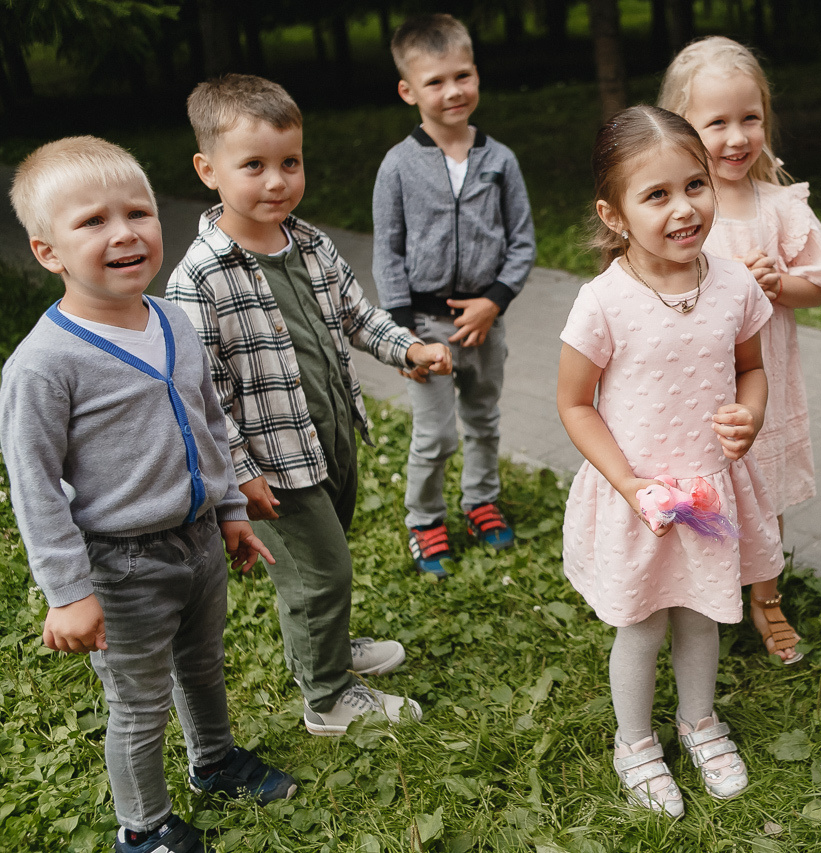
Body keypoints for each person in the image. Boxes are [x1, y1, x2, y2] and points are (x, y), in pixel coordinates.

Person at [1, 136, 295, 853]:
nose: (125, 232)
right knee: (139, 701)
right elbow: (33, 484)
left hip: (197, 543)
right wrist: (68, 592)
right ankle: (145, 826)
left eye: (138, 211)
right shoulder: (43, 364)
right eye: (92, 222)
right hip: (122, 562)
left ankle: (214, 760)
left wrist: (228, 512)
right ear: (49, 253)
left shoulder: (173, 321)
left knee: (203, 664)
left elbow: (209, 422)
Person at [167, 75, 452, 737]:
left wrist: (408, 349)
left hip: (327, 434)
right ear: (208, 171)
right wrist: (240, 473)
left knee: (327, 557)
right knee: (320, 570)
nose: (277, 181)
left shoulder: (312, 244)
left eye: (289, 162)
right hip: (269, 463)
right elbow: (200, 393)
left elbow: (356, 316)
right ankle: (326, 697)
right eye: (254, 166)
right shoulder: (200, 275)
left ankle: (326, 640)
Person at [557, 105, 784, 817]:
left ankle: (699, 721)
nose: (683, 208)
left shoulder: (735, 285)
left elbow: (752, 367)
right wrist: (627, 483)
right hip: (641, 495)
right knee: (643, 622)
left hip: (710, 490)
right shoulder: (604, 303)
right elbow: (574, 403)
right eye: (656, 195)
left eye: (695, 185)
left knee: (702, 615)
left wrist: (750, 415)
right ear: (615, 212)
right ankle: (634, 740)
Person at [659, 36, 821, 665]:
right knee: (699, 482)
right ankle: (696, 594)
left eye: (751, 118)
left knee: (762, 490)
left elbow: (817, 285)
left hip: (764, 381)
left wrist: (776, 284)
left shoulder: (778, 206)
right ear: (683, 127)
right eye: (718, 123)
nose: (737, 137)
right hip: (694, 385)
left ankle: (765, 598)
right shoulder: (679, 208)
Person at [373, 14, 536, 577]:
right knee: (436, 433)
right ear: (408, 91)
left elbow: (523, 242)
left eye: (462, 75)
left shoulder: (500, 160)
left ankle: (481, 501)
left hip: (486, 321)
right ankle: (424, 519)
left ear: (476, 75)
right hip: (426, 326)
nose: (452, 91)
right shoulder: (397, 165)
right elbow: (388, 252)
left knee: (484, 418)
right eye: (435, 82)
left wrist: (495, 300)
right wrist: (402, 338)